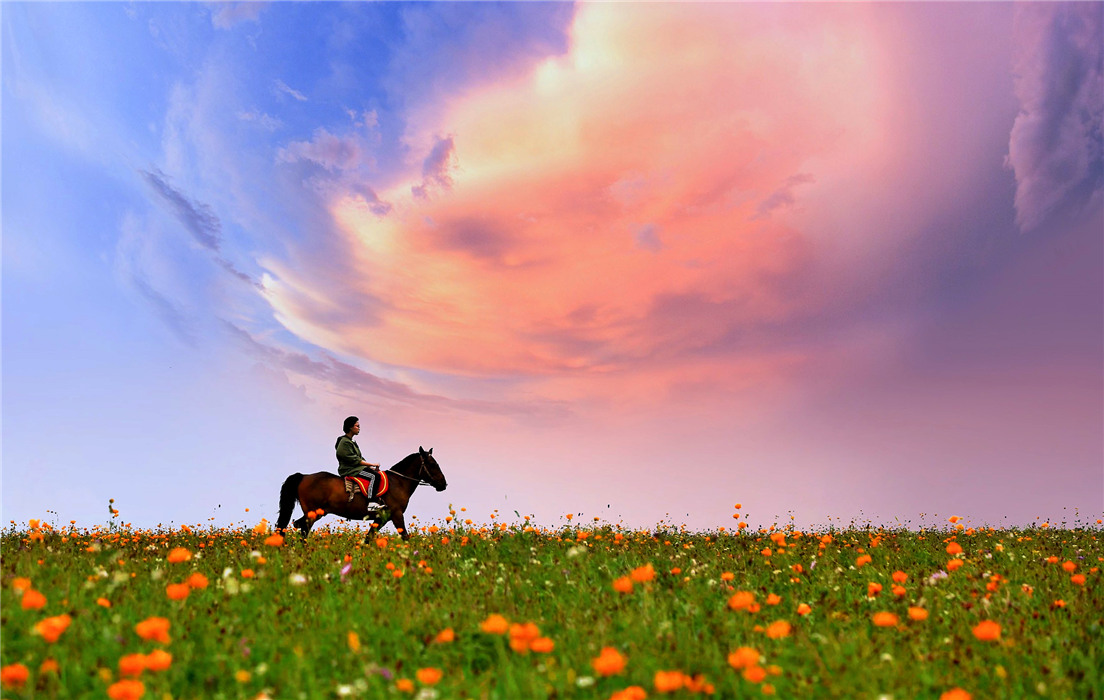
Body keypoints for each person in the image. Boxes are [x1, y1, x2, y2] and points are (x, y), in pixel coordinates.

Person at [336, 416, 381, 507]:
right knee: (375, 476)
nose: (359, 428)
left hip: (356, 467)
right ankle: (371, 502)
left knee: (374, 472)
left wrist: (369, 467)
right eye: (357, 426)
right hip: (350, 469)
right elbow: (355, 460)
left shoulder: (351, 441)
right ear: (350, 427)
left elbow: (359, 457)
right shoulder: (345, 442)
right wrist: (372, 464)